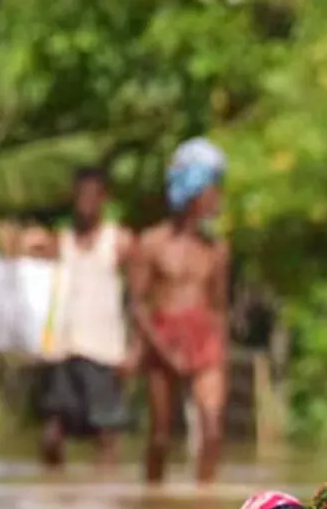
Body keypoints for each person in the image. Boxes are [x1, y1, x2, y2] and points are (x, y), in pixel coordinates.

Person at [129, 137, 232, 485]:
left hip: (204, 339)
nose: (217, 198)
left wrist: (219, 353)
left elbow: (218, 305)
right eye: (212, 189)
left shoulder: (217, 250)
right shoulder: (151, 243)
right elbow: (138, 304)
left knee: (212, 429)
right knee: (160, 435)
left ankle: (203, 505)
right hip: (163, 338)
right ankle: (153, 500)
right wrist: (158, 348)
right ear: (193, 192)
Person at [35, 167, 137, 470]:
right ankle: (54, 496)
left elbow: (138, 297)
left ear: (104, 199)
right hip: (63, 349)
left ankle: (103, 500)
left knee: (106, 432)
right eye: (80, 196)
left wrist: (134, 348)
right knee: (52, 433)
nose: (85, 203)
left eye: (92, 196)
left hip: (105, 351)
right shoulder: (61, 241)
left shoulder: (118, 241)